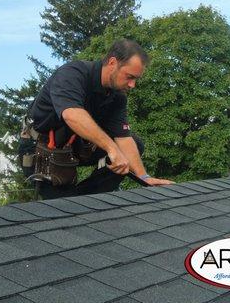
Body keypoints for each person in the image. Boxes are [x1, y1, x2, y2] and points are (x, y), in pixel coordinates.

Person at [20, 39, 174, 199]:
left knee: (135, 144)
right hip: (41, 150)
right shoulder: (72, 74)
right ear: (113, 62)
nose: (132, 84)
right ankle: (75, 202)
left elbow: (123, 138)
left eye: (136, 79)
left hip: (72, 148)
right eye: (129, 77)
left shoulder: (117, 96)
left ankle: (89, 199)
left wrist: (144, 177)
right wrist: (111, 149)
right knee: (63, 210)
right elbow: (72, 114)